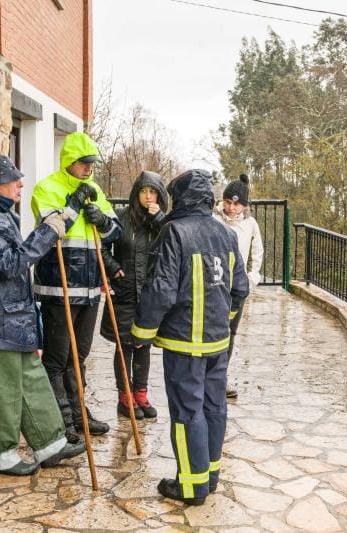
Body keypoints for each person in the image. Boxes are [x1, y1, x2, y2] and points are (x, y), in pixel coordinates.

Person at [0, 155, 86, 475]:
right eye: (14, 180)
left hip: (11, 316)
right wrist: (47, 233)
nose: (21, 184)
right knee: (2, 389)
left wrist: (61, 219)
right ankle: (0, 455)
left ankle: (50, 442)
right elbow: (8, 265)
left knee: (31, 380)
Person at [131, 169, 249, 505]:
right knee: (214, 408)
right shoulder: (225, 233)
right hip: (217, 343)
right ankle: (210, 476)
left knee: (187, 413)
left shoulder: (173, 232)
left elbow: (160, 290)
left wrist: (142, 332)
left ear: (179, 198)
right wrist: (221, 321)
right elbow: (240, 289)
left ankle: (191, 486)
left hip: (184, 344)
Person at [31, 132, 121, 442]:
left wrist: (101, 218)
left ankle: (79, 413)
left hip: (90, 288)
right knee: (57, 357)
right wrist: (74, 203)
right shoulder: (46, 188)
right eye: (84, 164)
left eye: (92, 164)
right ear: (70, 161)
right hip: (60, 287)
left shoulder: (94, 188)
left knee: (78, 355)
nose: (89, 169)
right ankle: (61, 420)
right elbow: (50, 231)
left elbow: (114, 232)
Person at [101, 171, 169, 420]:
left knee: (144, 345)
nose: (148, 196)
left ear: (159, 196)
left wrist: (159, 219)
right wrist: (113, 268)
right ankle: (124, 397)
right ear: (136, 193)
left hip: (149, 293)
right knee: (124, 346)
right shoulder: (121, 217)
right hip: (124, 290)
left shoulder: (161, 223)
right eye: (144, 191)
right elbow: (103, 245)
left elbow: (173, 242)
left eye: (152, 192)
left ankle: (141, 394)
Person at [212, 173, 263, 398]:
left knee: (230, 332)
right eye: (228, 202)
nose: (231, 208)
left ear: (244, 205)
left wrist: (252, 277)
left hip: (237, 287)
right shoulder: (213, 219)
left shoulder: (250, 224)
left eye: (237, 204)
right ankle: (208, 375)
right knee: (213, 330)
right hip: (214, 284)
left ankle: (220, 377)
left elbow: (258, 252)